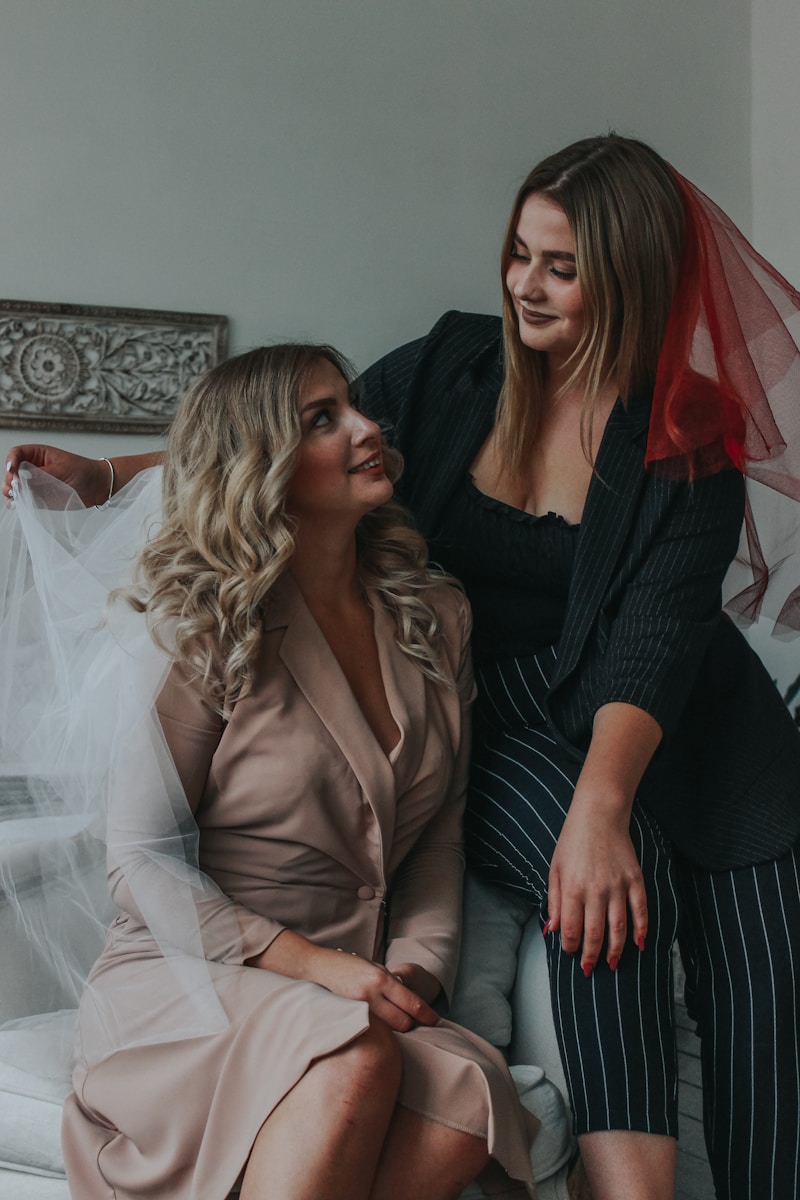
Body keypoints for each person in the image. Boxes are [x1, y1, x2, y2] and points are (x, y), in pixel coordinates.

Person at [6, 133, 800, 1200]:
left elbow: (652, 640)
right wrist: (110, 474)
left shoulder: (685, 430)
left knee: (765, 996)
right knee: (606, 897)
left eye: (561, 268)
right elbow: (270, 441)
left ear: (632, 276)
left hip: (688, 726)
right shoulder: (453, 368)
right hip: (516, 712)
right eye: (518, 252)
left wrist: (604, 807)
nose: (524, 285)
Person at [1, 344, 539, 1200]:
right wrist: (312, 967)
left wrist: (414, 971)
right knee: (354, 1058)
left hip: (359, 985)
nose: (368, 427)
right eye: (323, 419)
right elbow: (137, 860)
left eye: (352, 405)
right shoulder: (202, 626)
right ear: (265, 467)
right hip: (191, 980)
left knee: (468, 1103)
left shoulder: (436, 616)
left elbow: (440, 834)